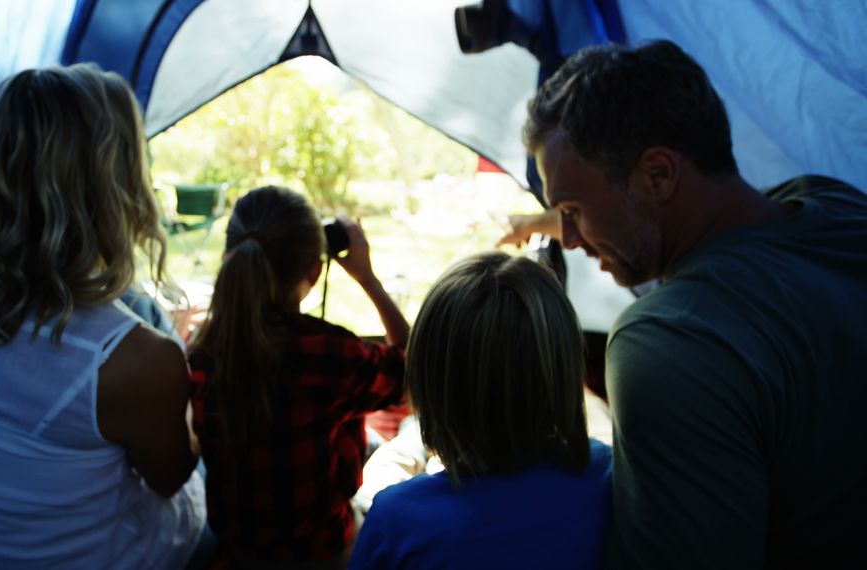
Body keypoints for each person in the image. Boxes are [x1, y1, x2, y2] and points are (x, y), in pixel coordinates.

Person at [519, 40, 867, 568]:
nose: (567, 238)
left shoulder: (670, 341)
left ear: (658, 175)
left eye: (572, 208)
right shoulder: (835, 207)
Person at [0, 64, 206, 569]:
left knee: (140, 313)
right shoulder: (139, 363)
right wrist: (185, 372)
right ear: (118, 183)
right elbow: (172, 475)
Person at [188, 186, 408, 568]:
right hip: (322, 552)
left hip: (239, 554)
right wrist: (367, 277)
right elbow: (410, 372)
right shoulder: (329, 352)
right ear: (314, 269)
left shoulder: (203, 348)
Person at [350, 253, 612, 569]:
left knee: (399, 449)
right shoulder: (612, 479)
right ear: (567, 370)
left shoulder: (396, 519)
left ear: (425, 382)